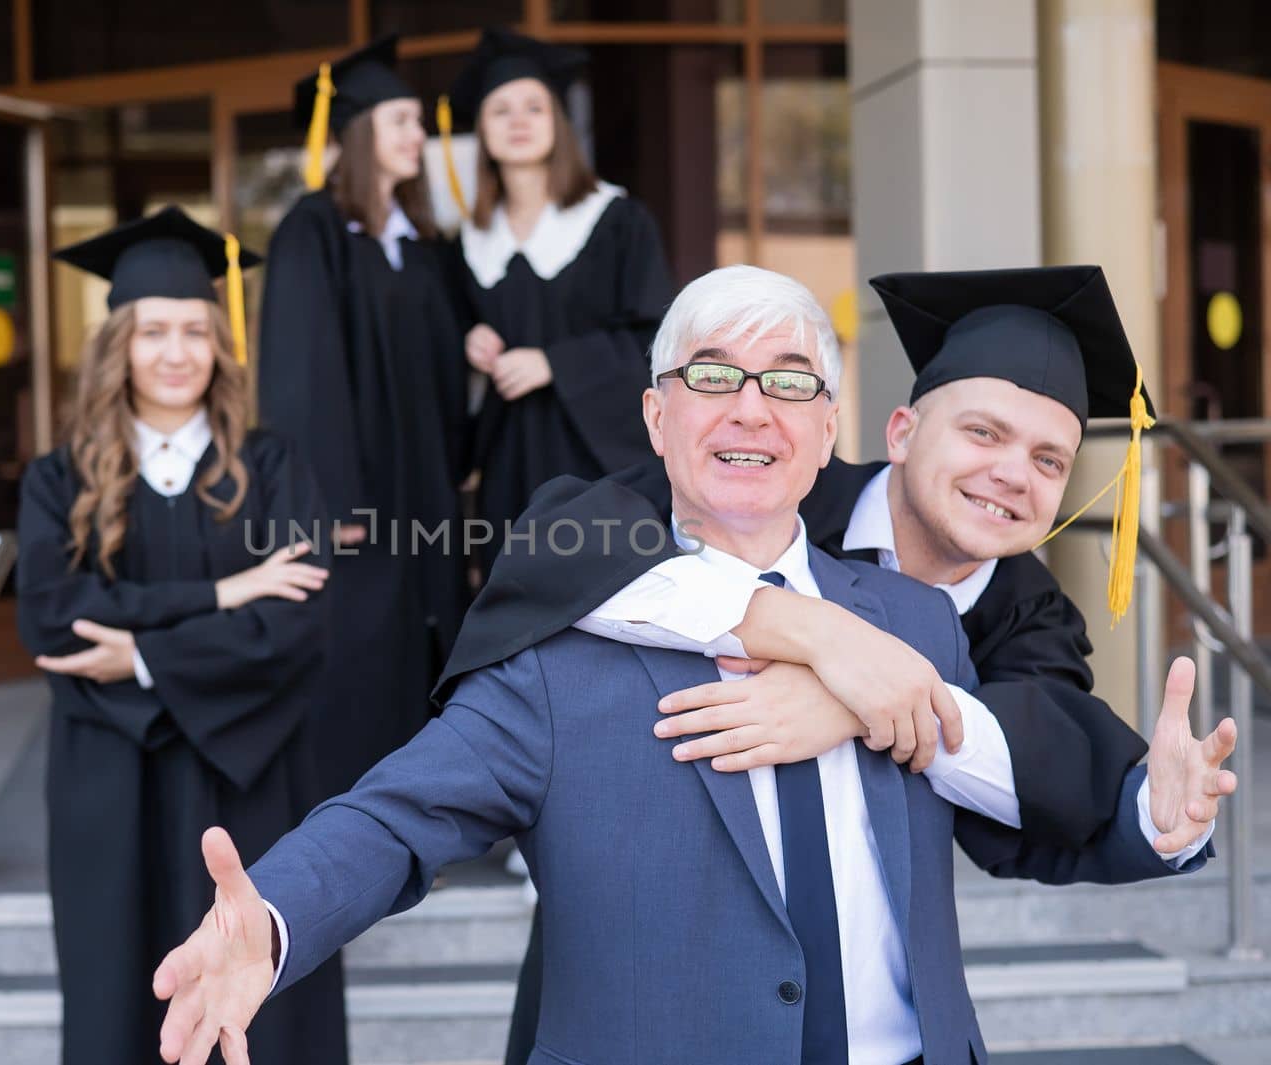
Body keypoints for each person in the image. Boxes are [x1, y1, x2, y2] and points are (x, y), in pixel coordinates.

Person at [151, 266, 1234, 1065]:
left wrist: (1153, 812)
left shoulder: (942, 622)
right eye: (714, 377)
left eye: (788, 384)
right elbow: (398, 817)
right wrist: (279, 918)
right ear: (656, 419)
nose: (751, 406)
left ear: (827, 433)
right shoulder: (564, 635)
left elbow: (1018, 797)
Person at [442, 265, 1172, 1065]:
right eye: (983, 432)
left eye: (1049, 459)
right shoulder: (774, 485)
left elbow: (1031, 782)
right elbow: (561, 550)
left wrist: (869, 706)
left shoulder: (1028, 614)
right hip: (636, 981)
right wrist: (810, 632)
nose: (1009, 475)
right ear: (898, 432)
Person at [15, 206, 347, 1065]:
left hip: (250, 780)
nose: (175, 351)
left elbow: (296, 627)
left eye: (195, 330)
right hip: (107, 786)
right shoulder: (59, 481)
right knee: (117, 1002)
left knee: (260, 1018)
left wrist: (143, 655)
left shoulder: (273, 468)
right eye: (153, 330)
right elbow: (53, 617)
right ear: (118, 343)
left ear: (219, 345)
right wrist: (223, 592)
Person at [258, 36, 468, 796]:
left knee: (423, 647)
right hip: (356, 498)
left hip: (424, 492)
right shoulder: (311, 233)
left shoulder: (420, 247)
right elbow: (299, 373)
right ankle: (350, 827)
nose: (419, 136)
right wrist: (328, 499)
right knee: (361, 653)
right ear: (359, 131)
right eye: (403, 120)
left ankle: (422, 817)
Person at [448, 28, 674, 553]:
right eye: (501, 110)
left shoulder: (617, 221)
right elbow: (450, 328)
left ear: (558, 122)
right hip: (507, 460)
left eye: (534, 107)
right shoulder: (468, 242)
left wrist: (556, 363)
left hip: (596, 459)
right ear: (481, 130)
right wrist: (470, 337)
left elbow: (657, 338)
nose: (519, 121)